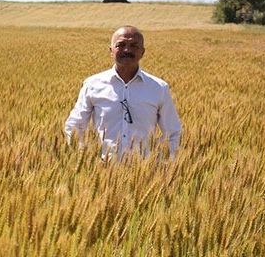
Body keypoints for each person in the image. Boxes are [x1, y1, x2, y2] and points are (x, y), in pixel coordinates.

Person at [64, 26, 182, 160]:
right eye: (121, 45)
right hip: (103, 167)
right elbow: (75, 125)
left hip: (145, 168)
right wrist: (83, 158)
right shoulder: (92, 84)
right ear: (111, 50)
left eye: (134, 46)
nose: (127, 50)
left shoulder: (159, 88)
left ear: (142, 52)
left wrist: (163, 162)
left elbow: (173, 132)